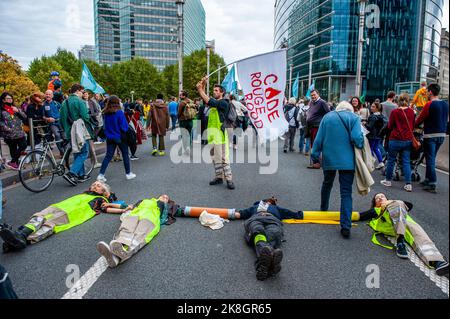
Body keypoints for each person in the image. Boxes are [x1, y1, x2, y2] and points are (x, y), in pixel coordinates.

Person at [0, 181, 125, 253]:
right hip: (59, 206)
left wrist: (123, 209)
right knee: (39, 216)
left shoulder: (100, 199)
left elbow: (107, 208)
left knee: (48, 225)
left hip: (71, 213)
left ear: (104, 192)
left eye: (98, 186)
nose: (94, 186)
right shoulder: (86, 193)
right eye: (94, 184)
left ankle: (21, 240)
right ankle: (19, 234)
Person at [359, 192, 449, 276]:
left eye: (382, 196)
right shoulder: (376, 210)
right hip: (389, 224)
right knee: (398, 204)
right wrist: (345, 214)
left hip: (406, 224)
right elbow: (360, 216)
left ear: (387, 199)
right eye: (377, 198)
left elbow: (409, 205)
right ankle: (400, 241)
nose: (380, 198)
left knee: (422, 239)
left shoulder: (397, 204)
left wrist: (391, 202)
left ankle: (438, 262)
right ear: (375, 204)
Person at [311, 101, 364, 238]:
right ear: (350, 109)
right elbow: (357, 138)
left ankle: (323, 210)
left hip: (329, 158)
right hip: (347, 161)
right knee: (346, 192)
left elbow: (319, 139)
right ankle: (345, 226)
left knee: (327, 183)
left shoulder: (327, 117)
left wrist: (315, 155)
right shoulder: (354, 118)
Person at [96, 194, 181, 268]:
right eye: (163, 196)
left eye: (167, 198)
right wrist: (109, 204)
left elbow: (185, 211)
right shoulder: (145, 201)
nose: (165, 197)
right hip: (135, 214)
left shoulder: (168, 207)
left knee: (139, 236)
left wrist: (194, 213)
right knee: (126, 230)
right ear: (158, 196)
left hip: (151, 218)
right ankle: (115, 254)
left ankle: (121, 255)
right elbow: (127, 206)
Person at [234, 197, 302, 281]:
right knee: (258, 231)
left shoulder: (276, 208)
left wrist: (301, 214)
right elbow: (239, 214)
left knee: (274, 233)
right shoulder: (254, 207)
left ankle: (265, 263)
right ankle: (271, 261)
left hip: (272, 220)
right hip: (256, 219)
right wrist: (219, 214)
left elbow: (291, 213)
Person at [197, 77, 235, 190]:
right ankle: (219, 177)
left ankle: (229, 179)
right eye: (214, 91)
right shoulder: (215, 103)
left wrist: (200, 89)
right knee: (214, 157)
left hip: (221, 135)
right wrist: (203, 84)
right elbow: (205, 99)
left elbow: (209, 101)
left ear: (222, 92)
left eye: (216, 91)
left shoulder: (224, 103)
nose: (214, 92)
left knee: (223, 158)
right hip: (212, 135)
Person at [415, 83, 449, 193]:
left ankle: (432, 183)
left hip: (430, 135)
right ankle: (427, 179)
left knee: (430, 159)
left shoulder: (429, 104)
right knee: (431, 158)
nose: (426, 94)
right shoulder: (445, 104)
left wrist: (414, 125)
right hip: (442, 135)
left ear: (430, 92)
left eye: (427, 92)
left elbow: (420, 118)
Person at [60, 84, 95, 186]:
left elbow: (61, 118)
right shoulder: (79, 101)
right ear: (78, 91)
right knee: (84, 152)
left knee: (76, 151)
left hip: (69, 131)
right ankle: (72, 173)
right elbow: (85, 117)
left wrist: (65, 129)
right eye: (82, 91)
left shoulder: (64, 102)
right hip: (79, 131)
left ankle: (81, 175)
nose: (83, 94)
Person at [381, 93, 415, 192]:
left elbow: (390, 126)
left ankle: (388, 180)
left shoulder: (395, 112)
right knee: (406, 161)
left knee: (391, 160)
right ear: (408, 100)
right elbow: (412, 125)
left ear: (398, 100)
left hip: (395, 139)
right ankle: (408, 184)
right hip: (407, 140)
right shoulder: (411, 112)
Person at [97, 96, 136, 182]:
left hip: (110, 137)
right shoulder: (119, 112)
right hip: (120, 136)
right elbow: (124, 126)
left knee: (108, 156)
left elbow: (105, 126)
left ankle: (101, 174)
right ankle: (128, 173)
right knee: (125, 154)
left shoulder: (106, 113)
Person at [0, 92, 27, 170]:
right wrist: (8, 129)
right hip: (9, 134)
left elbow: (25, 117)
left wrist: (18, 111)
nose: (10, 100)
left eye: (11, 98)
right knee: (13, 149)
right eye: (8, 99)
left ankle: (12, 162)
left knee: (23, 145)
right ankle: (16, 164)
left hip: (19, 132)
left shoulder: (15, 108)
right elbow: (1, 123)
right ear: (3, 100)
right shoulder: (2, 110)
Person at [306, 90, 330, 168]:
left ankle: (318, 162)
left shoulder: (322, 102)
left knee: (316, 145)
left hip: (318, 127)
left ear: (318, 94)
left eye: (314, 95)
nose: (313, 96)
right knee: (313, 144)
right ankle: (316, 162)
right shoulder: (312, 102)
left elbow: (328, 113)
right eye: (311, 95)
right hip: (311, 127)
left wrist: (324, 123)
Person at [42, 90, 65, 157]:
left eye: (49, 94)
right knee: (57, 135)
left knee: (64, 137)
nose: (48, 95)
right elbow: (43, 116)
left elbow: (63, 111)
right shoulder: (43, 105)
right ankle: (62, 151)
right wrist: (48, 119)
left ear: (52, 96)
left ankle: (65, 151)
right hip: (52, 124)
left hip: (60, 122)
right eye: (47, 94)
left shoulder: (56, 103)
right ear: (45, 95)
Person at [365, 102, 386, 169]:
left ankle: (371, 162)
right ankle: (381, 162)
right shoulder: (381, 116)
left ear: (377, 108)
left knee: (370, 149)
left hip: (372, 135)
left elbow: (369, 127)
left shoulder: (373, 116)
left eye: (373, 107)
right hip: (379, 135)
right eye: (371, 106)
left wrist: (364, 124)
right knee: (376, 148)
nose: (371, 108)